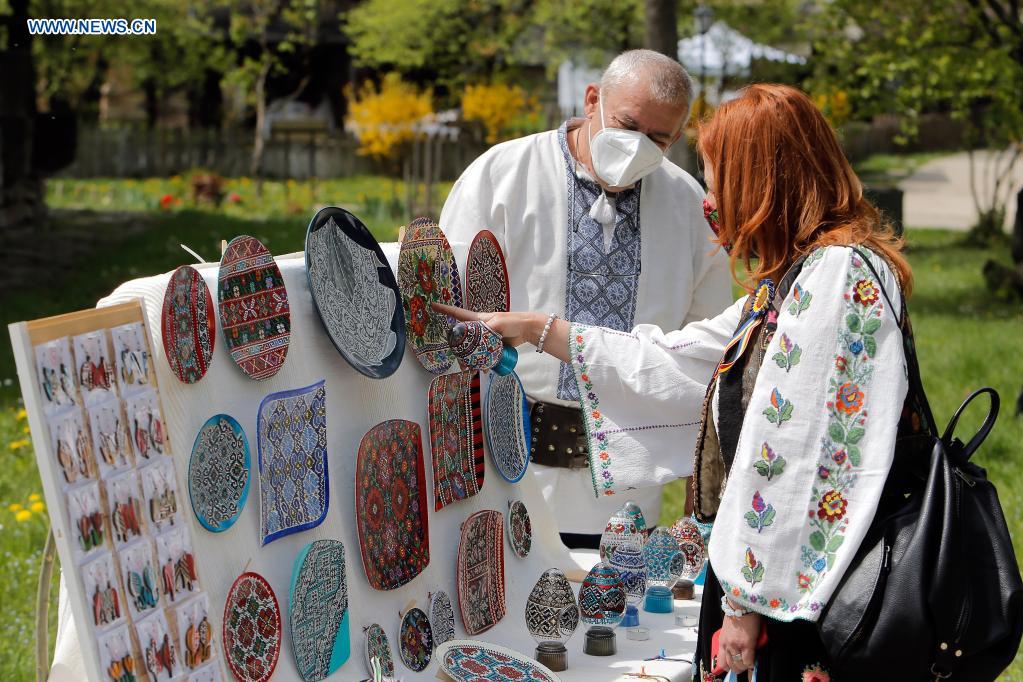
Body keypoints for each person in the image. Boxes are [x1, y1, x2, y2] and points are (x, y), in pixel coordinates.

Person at [436, 83, 916, 680]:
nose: (711, 198)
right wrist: (537, 329)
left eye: (718, 180)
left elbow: (797, 454)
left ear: (762, 183)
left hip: (811, 596)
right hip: (785, 592)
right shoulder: (800, 276)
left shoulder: (838, 276)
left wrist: (745, 603)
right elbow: (678, 358)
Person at [439, 49, 731, 548]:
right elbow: (449, 314)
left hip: (629, 481)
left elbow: (703, 360)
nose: (638, 145)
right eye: (627, 124)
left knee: (617, 619)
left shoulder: (689, 210)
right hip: (503, 468)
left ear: (677, 137)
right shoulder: (502, 175)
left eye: (657, 138)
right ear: (592, 99)